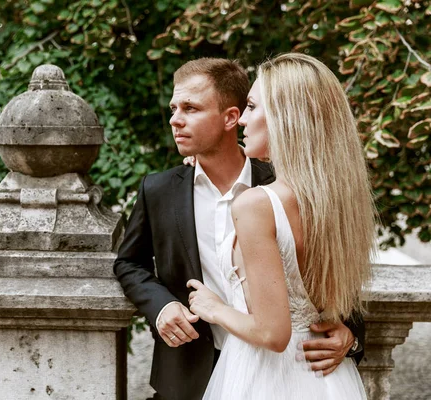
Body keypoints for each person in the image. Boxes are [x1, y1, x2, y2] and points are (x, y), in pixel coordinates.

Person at [113, 57, 365, 400]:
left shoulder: (285, 191)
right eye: (174, 108)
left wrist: (351, 335)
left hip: (281, 369)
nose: (174, 120)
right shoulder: (159, 190)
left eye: (190, 107)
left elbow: (330, 274)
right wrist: (162, 307)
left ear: (231, 117)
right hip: (191, 370)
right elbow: (129, 262)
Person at [186, 53, 375, 399]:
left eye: (253, 107)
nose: (242, 119)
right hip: (328, 379)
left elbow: (273, 334)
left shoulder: (257, 204)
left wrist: (215, 309)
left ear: (286, 118)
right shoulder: (337, 203)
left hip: (267, 378)